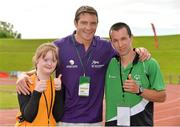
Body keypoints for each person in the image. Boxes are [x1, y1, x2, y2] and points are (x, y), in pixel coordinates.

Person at [16, 6, 150, 126]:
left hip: (94, 120)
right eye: (84, 23)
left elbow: (125, 51)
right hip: (64, 119)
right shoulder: (59, 46)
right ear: (75, 23)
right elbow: (44, 65)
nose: (88, 27)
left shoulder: (106, 47)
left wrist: (139, 50)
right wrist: (23, 75)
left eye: (93, 23)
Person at [105, 22, 166, 126]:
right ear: (111, 42)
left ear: (131, 38)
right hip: (113, 122)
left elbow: (162, 96)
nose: (120, 44)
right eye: (115, 40)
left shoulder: (149, 63)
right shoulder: (107, 64)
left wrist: (139, 90)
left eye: (123, 39)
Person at [15, 43, 64, 126]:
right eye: (46, 60)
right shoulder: (25, 82)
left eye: (53, 60)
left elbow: (57, 116)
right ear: (37, 60)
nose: (50, 64)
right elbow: (29, 117)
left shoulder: (55, 84)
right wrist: (37, 92)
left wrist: (58, 91)